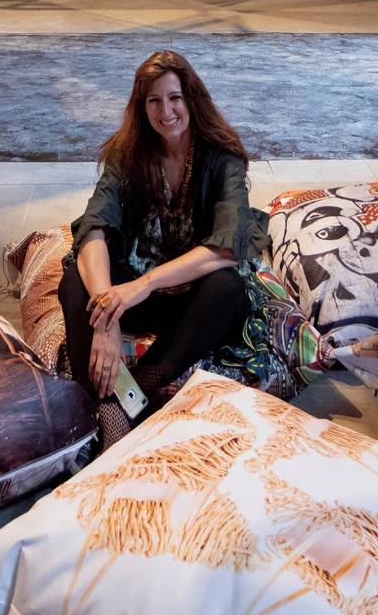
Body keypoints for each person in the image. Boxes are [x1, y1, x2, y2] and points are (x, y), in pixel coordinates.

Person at [59, 49, 266, 452]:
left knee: (226, 288)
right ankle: (109, 404)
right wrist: (106, 313)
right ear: (141, 107)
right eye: (154, 100)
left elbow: (228, 247)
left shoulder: (222, 157)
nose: (166, 111)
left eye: (174, 98)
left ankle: (144, 382)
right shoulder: (126, 153)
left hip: (191, 294)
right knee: (74, 282)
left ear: (192, 100)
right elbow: (94, 226)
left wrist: (145, 284)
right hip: (138, 286)